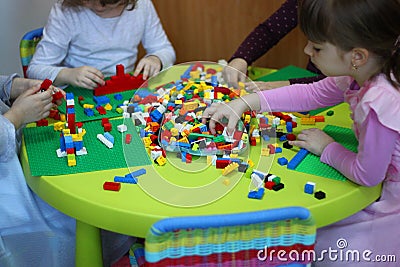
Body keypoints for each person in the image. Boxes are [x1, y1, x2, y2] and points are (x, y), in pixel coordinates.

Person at [203, 0, 400, 266]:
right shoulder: (360, 73)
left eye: (317, 47)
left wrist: (327, 148)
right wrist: (246, 102)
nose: (307, 50)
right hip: (381, 184)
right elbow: (312, 93)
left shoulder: (378, 102)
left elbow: (367, 174)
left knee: (327, 250)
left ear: (357, 56)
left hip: (391, 201)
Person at [0, 74, 134, 266]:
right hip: (10, 193)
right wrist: (17, 115)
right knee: (75, 208)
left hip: (17, 145)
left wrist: (16, 85)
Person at [27, 0, 176, 90]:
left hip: (125, 88)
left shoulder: (142, 5)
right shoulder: (65, 11)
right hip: (78, 92)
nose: (86, 3)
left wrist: (156, 59)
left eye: (119, 4)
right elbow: (34, 69)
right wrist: (68, 74)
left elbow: (165, 49)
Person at [223, 0, 325, 91]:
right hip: (312, 81)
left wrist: (289, 85)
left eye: (317, 47)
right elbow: (271, 29)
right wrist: (242, 57)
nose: (306, 50)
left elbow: (336, 84)